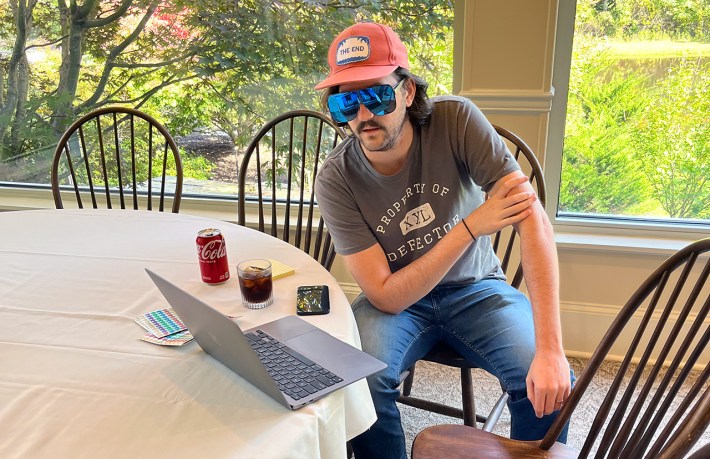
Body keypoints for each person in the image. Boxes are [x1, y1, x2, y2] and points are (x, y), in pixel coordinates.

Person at [313, 22, 573, 459]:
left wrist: (551, 349)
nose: (362, 116)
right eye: (345, 102)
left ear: (408, 92)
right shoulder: (336, 177)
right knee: (356, 376)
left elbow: (533, 222)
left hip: (477, 288)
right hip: (399, 303)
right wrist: (470, 227)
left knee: (545, 376)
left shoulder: (455, 120)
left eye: (375, 95)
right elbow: (387, 296)